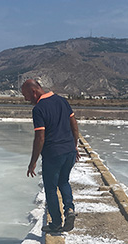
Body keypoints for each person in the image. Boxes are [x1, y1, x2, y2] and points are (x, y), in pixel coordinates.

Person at [21, 79, 80, 233]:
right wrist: (74, 146)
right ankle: (69, 210)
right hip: (69, 152)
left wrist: (32, 162)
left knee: (51, 188)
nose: (26, 99)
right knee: (64, 182)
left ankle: (56, 223)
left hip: (54, 154)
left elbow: (40, 137)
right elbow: (74, 125)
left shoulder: (39, 109)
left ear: (34, 91)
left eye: (26, 95)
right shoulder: (62, 101)